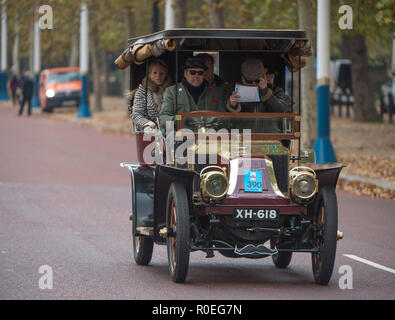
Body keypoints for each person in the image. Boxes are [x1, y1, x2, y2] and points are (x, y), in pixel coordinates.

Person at [159, 56, 227, 133]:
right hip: (181, 138)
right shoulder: (172, 92)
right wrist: (178, 119)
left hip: (209, 138)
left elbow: (223, 118)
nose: (196, 76)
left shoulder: (215, 92)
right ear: (185, 73)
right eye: (192, 72)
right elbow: (163, 118)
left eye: (200, 73)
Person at [227, 57, 291, 113]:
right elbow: (223, 116)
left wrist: (266, 92)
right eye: (249, 81)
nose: (253, 83)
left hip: (268, 126)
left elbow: (283, 110)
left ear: (263, 77)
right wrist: (233, 105)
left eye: (257, 80)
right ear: (243, 79)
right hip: (245, 126)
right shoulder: (236, 91)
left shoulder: (274, 90)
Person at [132, 59, 172, 131]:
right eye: (155, 73)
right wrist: (147, 124)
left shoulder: (171, 90)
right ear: (149, 75)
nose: (158, 76)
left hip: (170, 128)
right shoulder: (142, 91)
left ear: (166, 75)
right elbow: (136, 114)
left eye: (161, 73)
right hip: (149, 130)